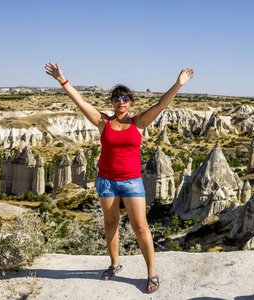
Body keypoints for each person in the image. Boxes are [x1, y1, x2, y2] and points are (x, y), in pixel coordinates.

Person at [45, 62, 194, 293]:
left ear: (131, 102)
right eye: (117, 98)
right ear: (112, 102)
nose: (121, 101)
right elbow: (81, 102)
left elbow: (161, 104)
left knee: (141, 227)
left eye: (125, 98)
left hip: (132, 181)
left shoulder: (139, 122)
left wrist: (178, 84)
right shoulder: (102, 122)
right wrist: (62, 79)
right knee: (110, 223)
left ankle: (151, 273)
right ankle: (114, 264)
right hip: (106, 180)